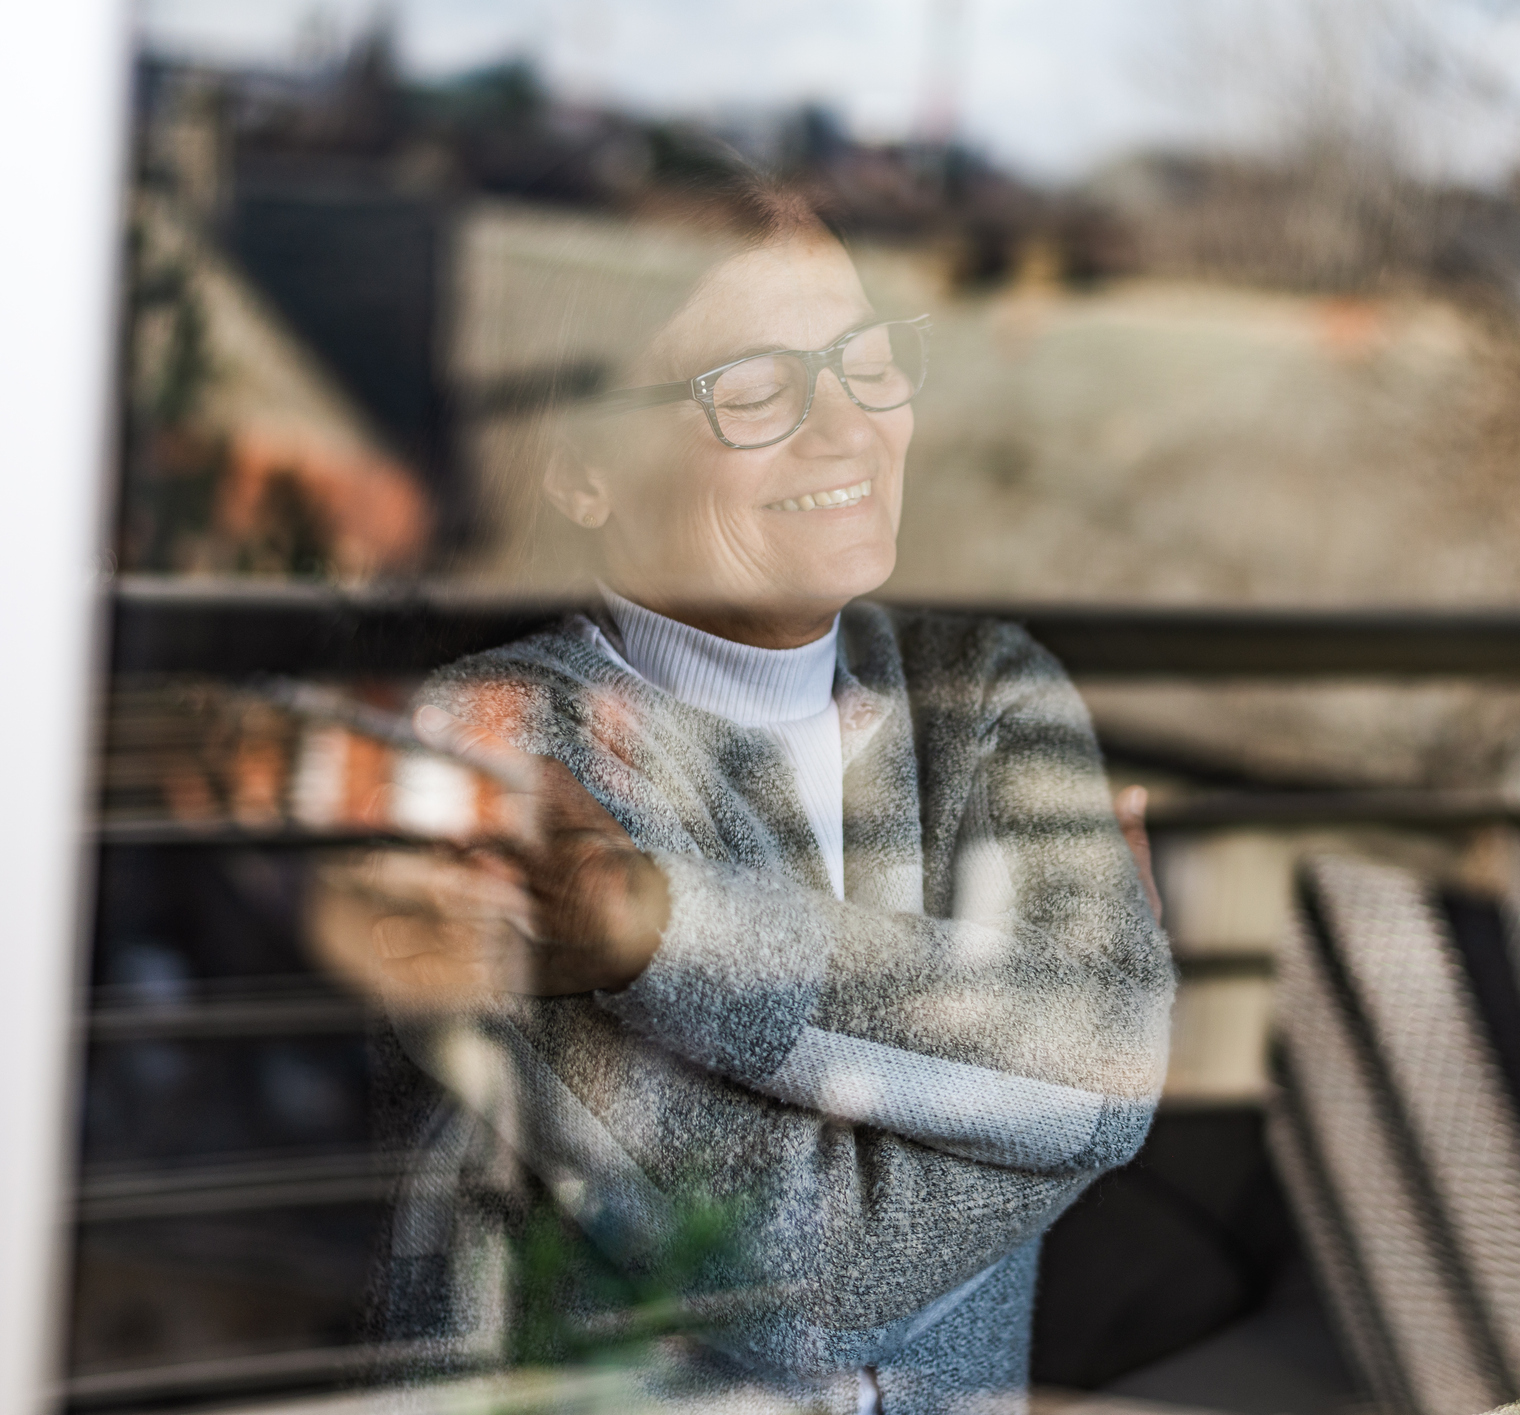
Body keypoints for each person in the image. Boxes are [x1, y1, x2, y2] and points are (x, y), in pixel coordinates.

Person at [311, 160, 1173, 1415]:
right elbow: (794, 1270)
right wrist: (1054, 1079)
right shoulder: (492, 743)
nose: (846, 428)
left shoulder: (989, 692)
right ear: (580, 467)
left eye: (866, 359)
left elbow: (1107, 1056)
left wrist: (658, 926)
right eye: (754, 386)